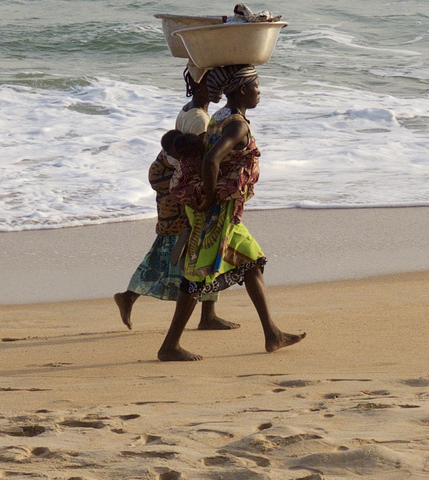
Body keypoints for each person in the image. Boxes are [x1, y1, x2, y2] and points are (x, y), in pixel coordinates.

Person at [157, 64, 304, 362]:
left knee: (251, 263)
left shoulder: (219, 117)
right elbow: (211, 159)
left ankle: (272, 334)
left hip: (223, 211)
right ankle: (169, 346)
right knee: (197, 276)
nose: (259, 92)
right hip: (217, 212)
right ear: (240, 90)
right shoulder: (236, 125)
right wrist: (210, 199)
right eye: (255, 86)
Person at [113, 130, 240, 331]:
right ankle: (206, 315)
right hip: (178, 222)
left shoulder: (176, 158)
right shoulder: (169, 164)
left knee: (168, 264)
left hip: (181, 220)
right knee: (182, 264)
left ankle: (130, 296)